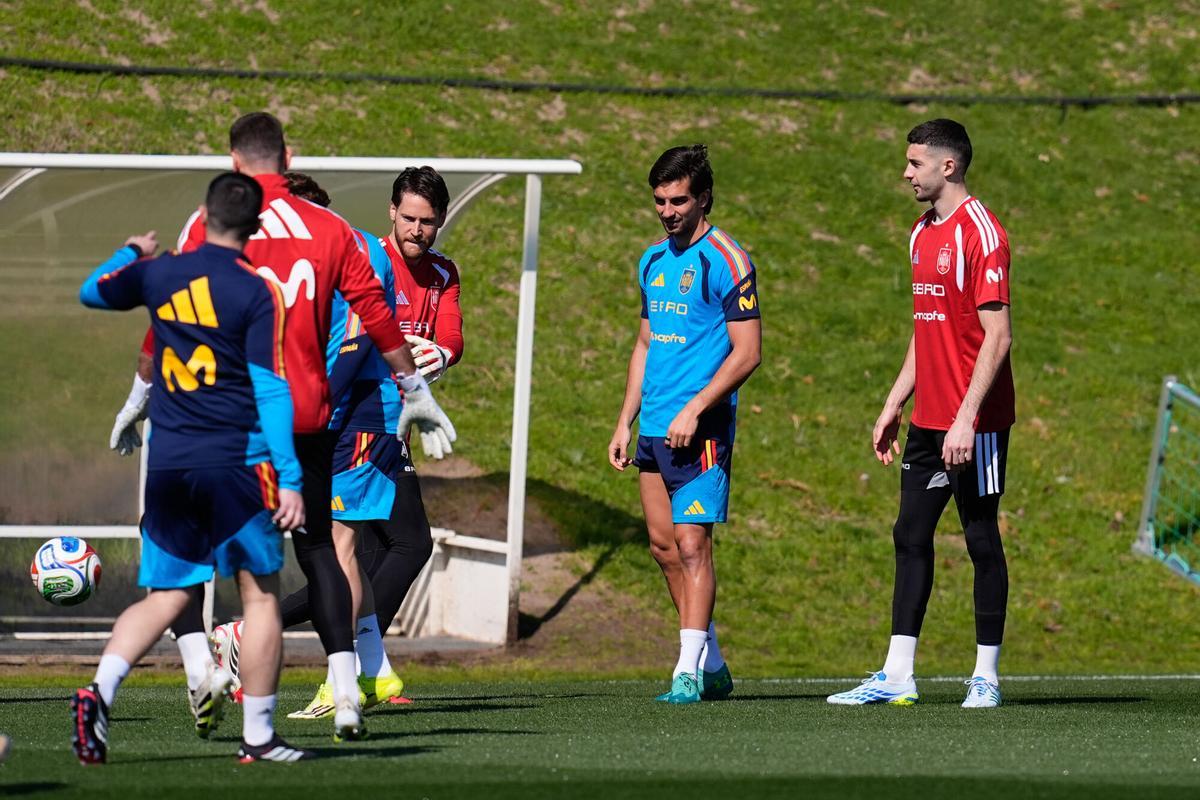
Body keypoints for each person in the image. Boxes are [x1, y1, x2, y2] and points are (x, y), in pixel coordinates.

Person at [110, 113, 456, 742]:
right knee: (315, 551)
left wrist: (142, 390)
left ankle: (193, 668)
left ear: (234, 163)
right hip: (305, 417)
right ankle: (342, 691)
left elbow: (165, 308)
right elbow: (375, 314)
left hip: (220, 417)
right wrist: (414, 384)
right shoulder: (334, 231)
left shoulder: (209, 223)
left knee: (183, 546)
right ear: (288, 156)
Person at [72, 173, 312, 764]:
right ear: (255, 229)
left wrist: (133, 251)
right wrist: (292, 477)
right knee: (259, 599)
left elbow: (92, 291)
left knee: (168, 597)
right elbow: (270, 388)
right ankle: (258, 736)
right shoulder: (257, 290)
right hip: (236, 463)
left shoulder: (160, 273)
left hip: (170, 463)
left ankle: (99, 693)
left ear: (203, 215)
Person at [217, 169, 464, 720]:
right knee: (366, 549)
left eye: (428, 221)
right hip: (355, 415)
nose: (417, 230)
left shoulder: (442, 272)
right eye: (409, 218)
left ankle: (350, 668)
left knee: (368, 549)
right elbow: (350, 339)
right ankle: (347, 671)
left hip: (381, 416)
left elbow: (449, 337)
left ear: (440, 221)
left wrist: (436, 358)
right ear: (390, 212)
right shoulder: (366, 256)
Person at [827, 118, 1014, 709]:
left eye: (914, 163)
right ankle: (897, 674)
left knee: (980, 538)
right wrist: (893, 403)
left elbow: (998, 336)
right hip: (929, 419)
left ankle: (986, 676)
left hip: (974, 423)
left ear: (947, 166)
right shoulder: (920, 233)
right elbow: (926, 329)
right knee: (909, 535)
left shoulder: (983, 234)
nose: (906, 173)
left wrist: (966, 418)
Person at [608, 145, 761, 704]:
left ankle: (686, 672)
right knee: (663, 548)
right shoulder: (651, 261)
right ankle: (712, 662)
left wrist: (695, 409)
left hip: (703, 432)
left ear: (703, 199)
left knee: (694, 546)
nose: (668, 211)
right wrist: (625, 420)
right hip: (652, 431)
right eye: (660, 201)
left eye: (678, 200)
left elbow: (747, 353)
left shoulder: (728, 260)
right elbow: (645, 343)